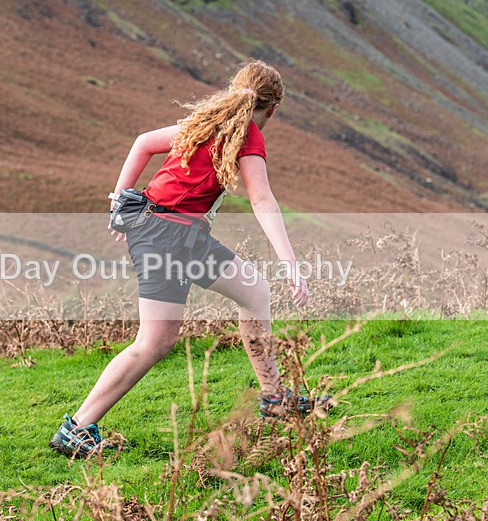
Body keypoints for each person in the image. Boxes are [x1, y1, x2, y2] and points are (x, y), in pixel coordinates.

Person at [49, 59, 331, 459]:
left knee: (254, 291)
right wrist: (291, 263)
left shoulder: (209, 119)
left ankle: (275, 399)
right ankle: (76, 429)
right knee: (154, 342)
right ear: (273, 109)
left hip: (181, 234)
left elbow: (143, 141)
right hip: (167, 235)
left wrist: (120, 203)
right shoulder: (249, 132)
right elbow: (262, 199)